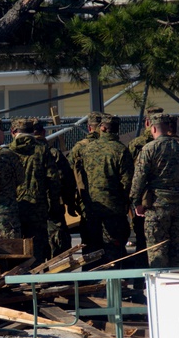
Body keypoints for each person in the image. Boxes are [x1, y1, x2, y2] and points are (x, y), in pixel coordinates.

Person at [130, 114, 179, 267]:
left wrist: (136, 203)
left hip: (156, 207)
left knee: (157, 250)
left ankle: (161, 286)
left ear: (153, 128)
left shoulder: (149, 148)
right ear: (168, 127)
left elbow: (139, 179)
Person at [81, 114, 133, 263]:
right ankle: (113, 281)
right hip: (114, 208)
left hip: (91, 207)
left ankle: (92, 281)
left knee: (93, 247)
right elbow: (128, 181)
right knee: (114, 248)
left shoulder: (88, 149)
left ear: (102, 128)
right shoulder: (121, 150)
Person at [8, 118, 60, 263]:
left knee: (17, 243)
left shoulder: (8, 152)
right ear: (32, 131)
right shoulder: (42, 150)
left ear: (13, 132)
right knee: (37, 242)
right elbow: (53, 179)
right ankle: (36, 275)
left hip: (14, 206)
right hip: (38, 205)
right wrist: (54, 205)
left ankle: (19, 275)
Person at [34, 122, 76, 257]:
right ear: (43, 133)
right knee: (59, 245)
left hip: (29, 209)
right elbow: (67, 180)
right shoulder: (53, 153)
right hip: (53, 207)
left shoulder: (19, 154)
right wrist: (70, 204)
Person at [126, 107, 163, 257]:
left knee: (143, 240)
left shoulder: (136, 144)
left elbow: (131, 175)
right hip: (167, 200)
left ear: (147, 122)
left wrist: (133, 201)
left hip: (143, 200)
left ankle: (141, 279)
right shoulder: (173, 143)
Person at [70, 111, 103, 250]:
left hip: (87, 201)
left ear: (89, 127)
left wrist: (73, 201)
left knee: (89, 243)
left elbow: (72, 175)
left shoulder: (79, 147)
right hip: (110, 201)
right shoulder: (113, 146)